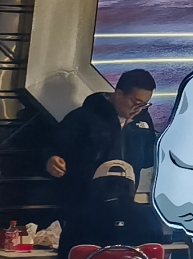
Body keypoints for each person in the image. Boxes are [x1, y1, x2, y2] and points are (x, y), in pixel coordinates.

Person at [45, 70, 162, 248]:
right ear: (119, 94)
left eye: (145, 105)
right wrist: (50, 160)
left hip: (126, 208)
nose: (138, 109)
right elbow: (51, 148)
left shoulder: (143, 122)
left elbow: (148, 158)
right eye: (136, 102)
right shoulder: (83, 118)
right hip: (83, 210)